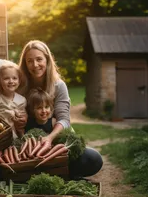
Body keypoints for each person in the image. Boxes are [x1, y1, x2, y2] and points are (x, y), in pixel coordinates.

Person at [18, 40, 103, 178]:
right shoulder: (21, 86)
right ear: (25, 64)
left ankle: (52, 171)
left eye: (39, 59)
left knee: (93, 159)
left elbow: (64, 120)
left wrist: (50, 139)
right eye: (30, 61)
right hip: (31, 143)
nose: (35, 65)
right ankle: (55, 173)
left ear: (47, 60)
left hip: (56, 138)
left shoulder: (58, 85)